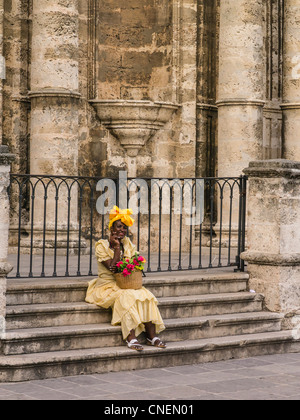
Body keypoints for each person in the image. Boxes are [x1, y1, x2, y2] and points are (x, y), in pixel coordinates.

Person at [85, 206, 166, 351]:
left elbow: (133, 262)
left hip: (125, 283)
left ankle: (151, 335)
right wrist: (116, 248)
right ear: (111, 228)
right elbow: (113, 268)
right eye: (119, 227)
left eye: (125, 228)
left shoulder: (127, 244)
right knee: (126, 296)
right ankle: (131, 338)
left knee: (146, 294)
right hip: (106, 287)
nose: (122, 230)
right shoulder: (101, 246)